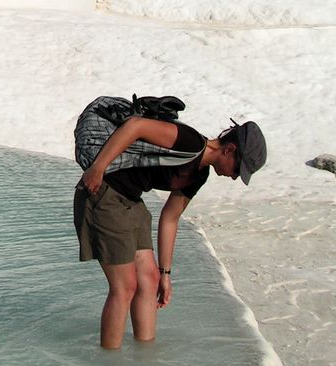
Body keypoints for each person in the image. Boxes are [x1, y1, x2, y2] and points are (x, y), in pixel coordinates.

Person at [72, 95, 267, 349]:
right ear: (229, 150)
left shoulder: (200, 175)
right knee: (125, 286)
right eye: (237, 169)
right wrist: (98, 167)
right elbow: (135, 126)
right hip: (103, 193)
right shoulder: (189, 141)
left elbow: (170, 218)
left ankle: (146, 358)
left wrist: (166, 273)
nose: (233, 177)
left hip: (131, 200)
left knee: (150, 279)